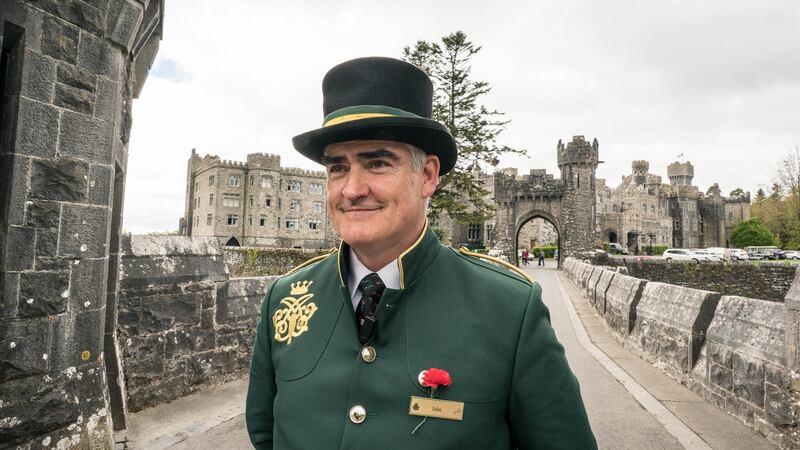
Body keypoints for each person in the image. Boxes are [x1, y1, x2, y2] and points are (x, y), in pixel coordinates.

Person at [246, 56, 596, 449]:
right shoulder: (286, 299)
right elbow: (265, 435)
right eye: (338, 168)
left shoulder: (510, 309)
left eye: (377, 163)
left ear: (427, 176)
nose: (351, 189)